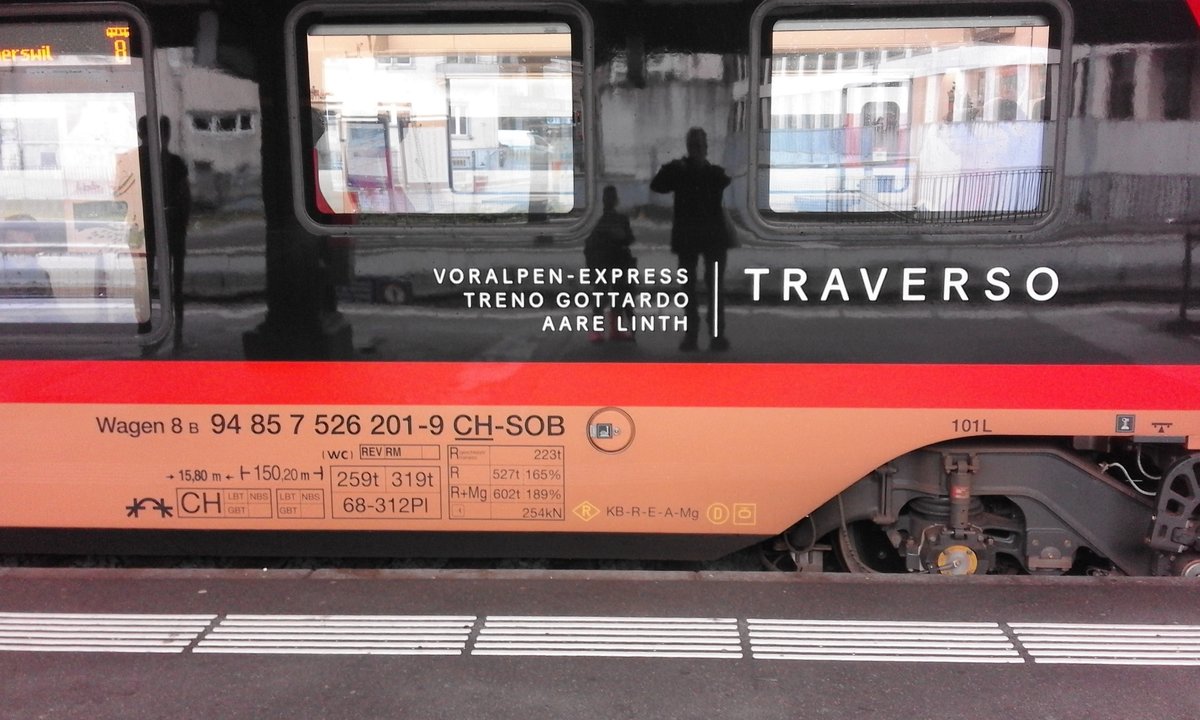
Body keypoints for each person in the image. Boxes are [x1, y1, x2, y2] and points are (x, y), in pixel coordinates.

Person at [650, 127, 732, 351]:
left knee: (691, 289)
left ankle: (694, 336)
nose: (697, 149)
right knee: (711, 288)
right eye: (695, 145)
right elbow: (724, 181)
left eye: (697, 145)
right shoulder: (714, 174)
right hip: (712, 238)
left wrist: (674, 168)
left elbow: (657, 186)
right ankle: (713, 336)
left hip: (689, 237)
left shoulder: (681, 171)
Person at [584, 185, 636, 342]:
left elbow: (590, 244)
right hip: (617, 261)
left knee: (603, 297)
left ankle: (599, 332)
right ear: (616, 201)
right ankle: (615, 330)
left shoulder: (598, 221)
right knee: (618, 297)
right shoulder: (620, 219)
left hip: (603, 263)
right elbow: (629, 239)